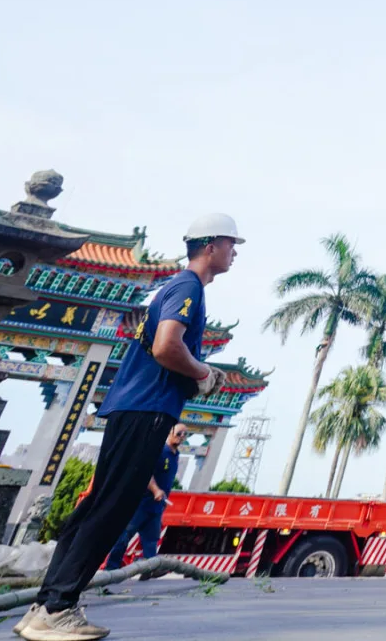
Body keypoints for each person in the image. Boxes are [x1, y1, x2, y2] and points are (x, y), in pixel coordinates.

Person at [20, 215, 241, 641]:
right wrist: (202, 373)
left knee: (97, 505)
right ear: (211, 246)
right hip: (148, 411)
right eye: (233, 244)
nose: (236, 253)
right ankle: (59, 607)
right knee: (112, 508)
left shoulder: (176, 286)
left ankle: (46, 605)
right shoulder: (187, 287)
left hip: (133, 408)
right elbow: (165, 346)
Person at [99, 423, 187, 570]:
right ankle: (111, 568)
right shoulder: (159, 451)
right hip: (142, 502)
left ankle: (150, 569)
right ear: (169, 432)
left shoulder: (175, 455)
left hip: (157, 505)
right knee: (125, 535)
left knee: (151, 539)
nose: (182, 437)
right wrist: (155, 490)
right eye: (179, 433)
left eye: (185, 434)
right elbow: (145, 473)